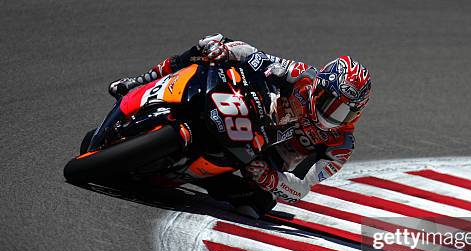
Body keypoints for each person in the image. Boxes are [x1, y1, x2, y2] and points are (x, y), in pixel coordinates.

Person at [109, 34, 371, 218]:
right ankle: (141, 81)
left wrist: (271, 178)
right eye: (330, 103)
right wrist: (225, 51)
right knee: (209, 46)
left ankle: (196, 178)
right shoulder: (303, 76)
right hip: (254, 109)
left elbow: (301, 189)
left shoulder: (340, 146)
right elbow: (257, 57)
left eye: (343, 112)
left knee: (258, 205)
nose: (332, 115)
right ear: (319, 87)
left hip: (265, 160)